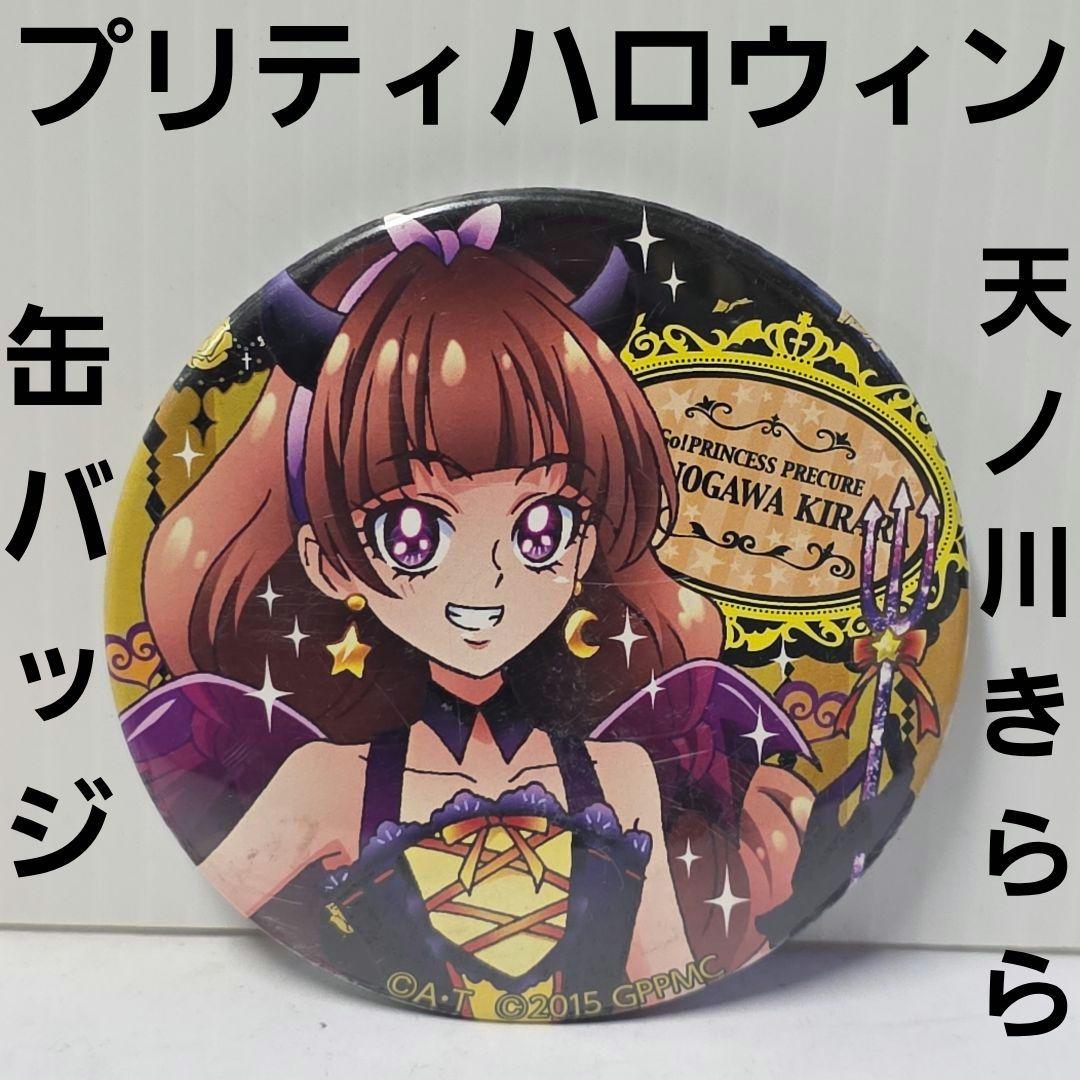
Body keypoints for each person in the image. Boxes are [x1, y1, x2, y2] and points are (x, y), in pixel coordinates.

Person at [123, 204, 814, 1016]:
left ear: (586, 546)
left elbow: (660, 973)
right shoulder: (325, 784)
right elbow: (189, 963)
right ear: (326, 558)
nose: (485, 583)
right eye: (413, 532)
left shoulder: (624, 775)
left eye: (541, 527)